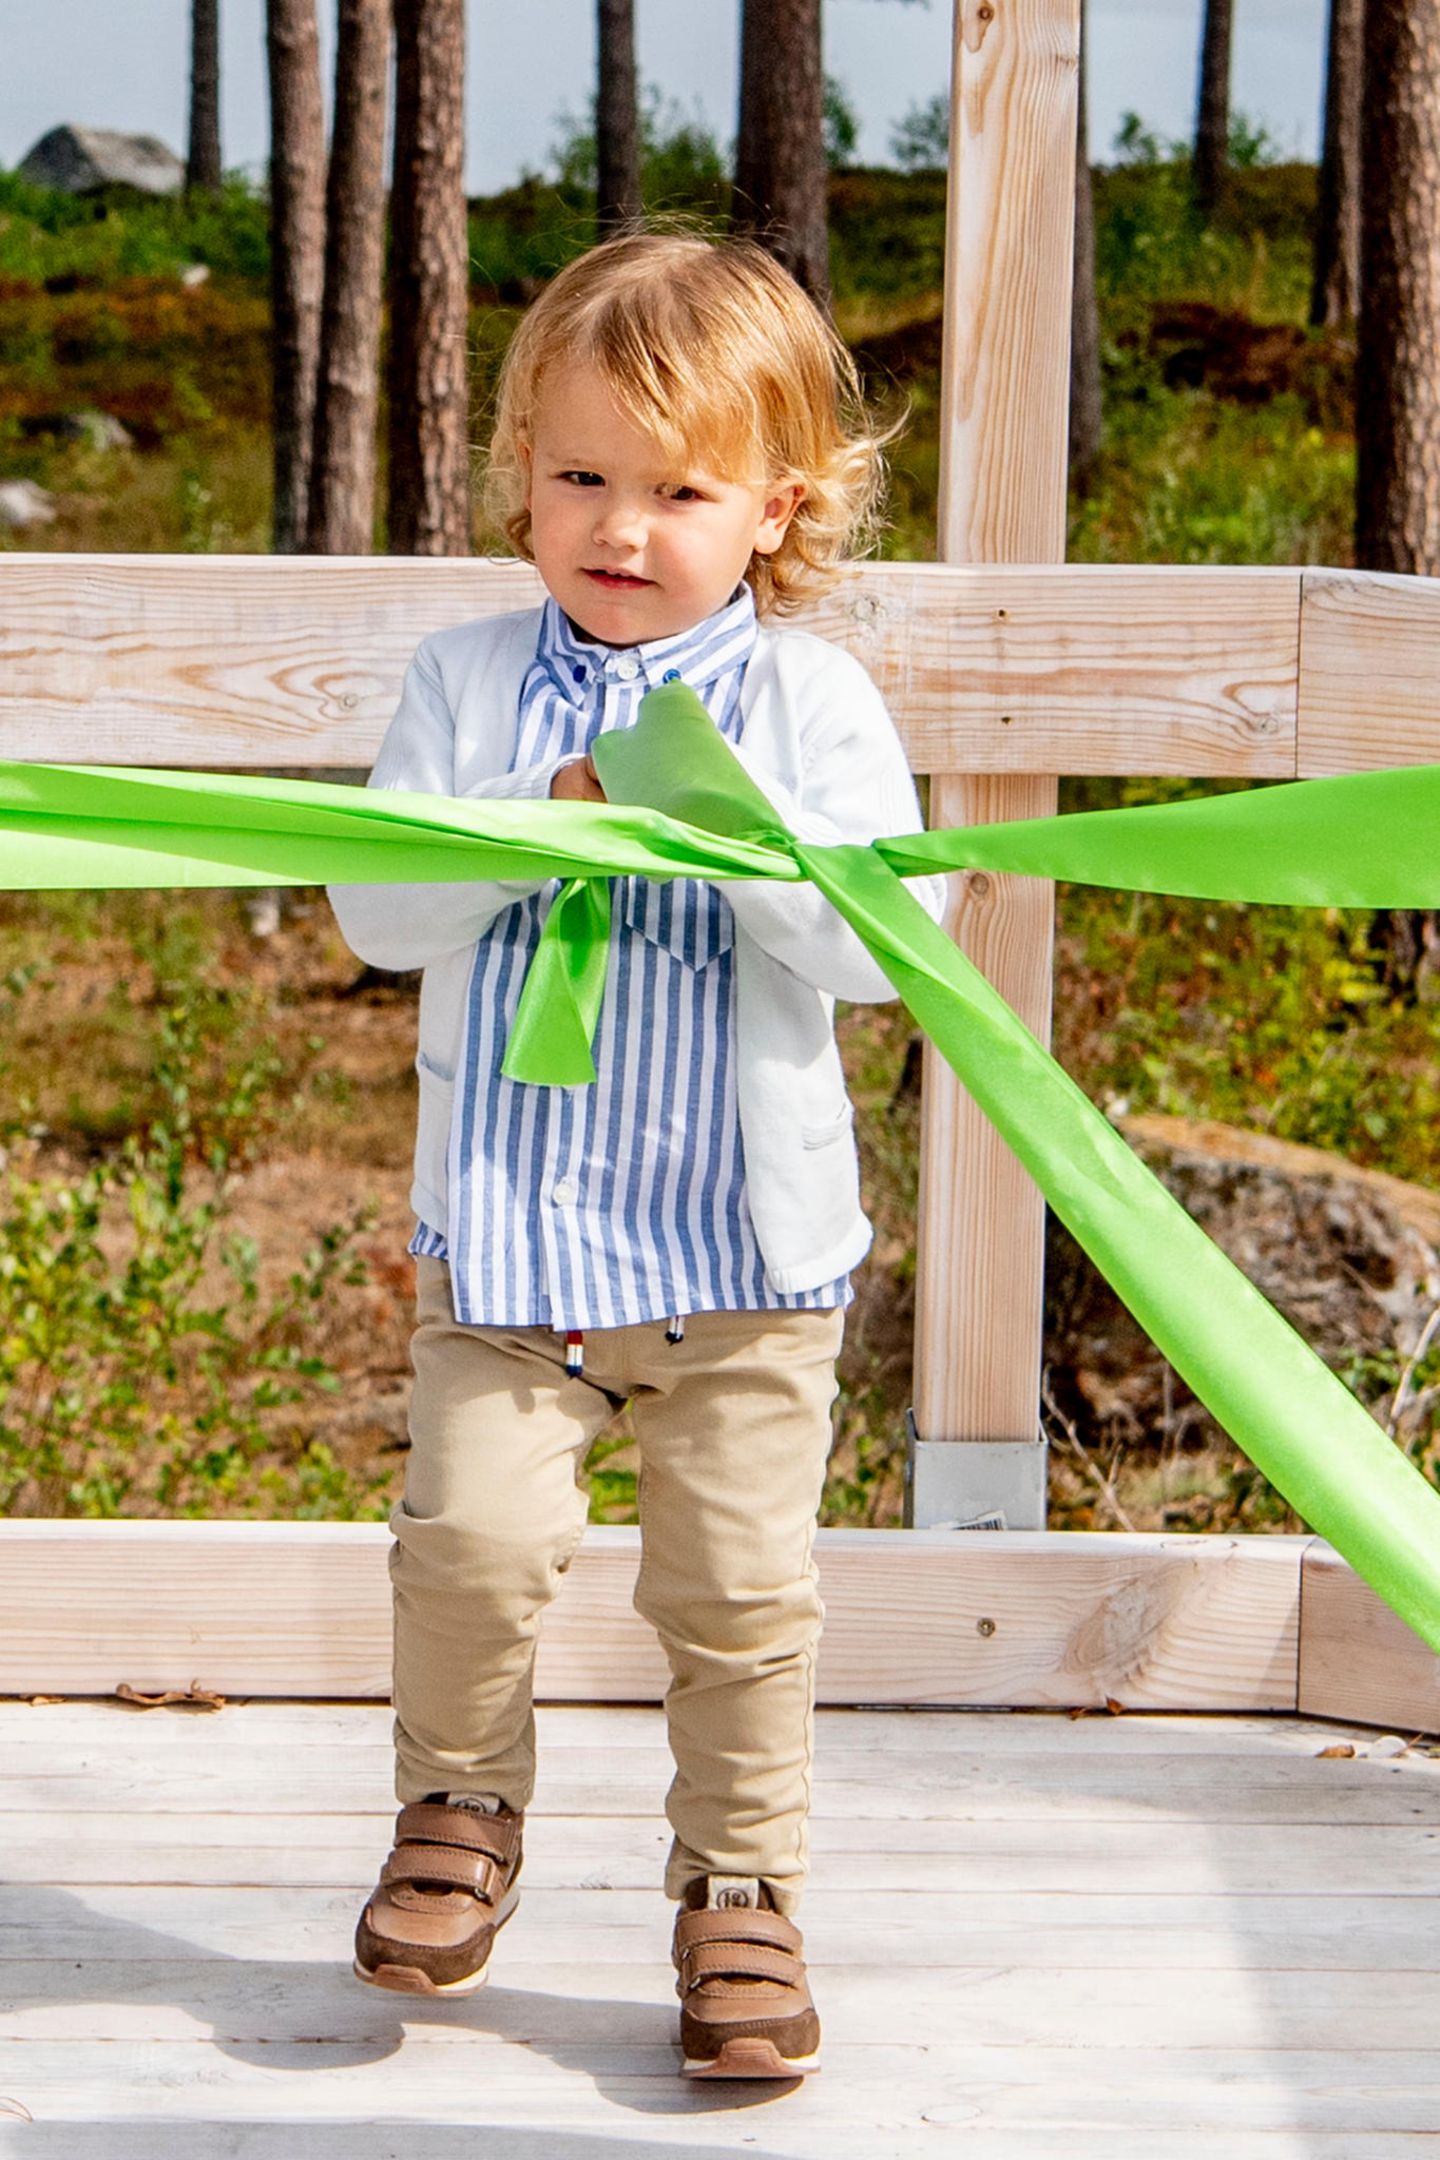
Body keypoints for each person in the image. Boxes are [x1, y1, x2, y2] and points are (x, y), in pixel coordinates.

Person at [327, 231, 945, 2081]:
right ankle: (458, 1807)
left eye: (678, 489)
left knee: (740, 1593)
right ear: (522, 475)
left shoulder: (811, 707)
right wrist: (554, 813)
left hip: (735, 1262)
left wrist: (737, 832)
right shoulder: (465, 688)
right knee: (468, 1544)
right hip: (512, 1254)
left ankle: (741, 1893)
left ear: (776, 507)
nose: (621, 525)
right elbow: (378, 907)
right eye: (581, 475)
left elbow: (874, 948)